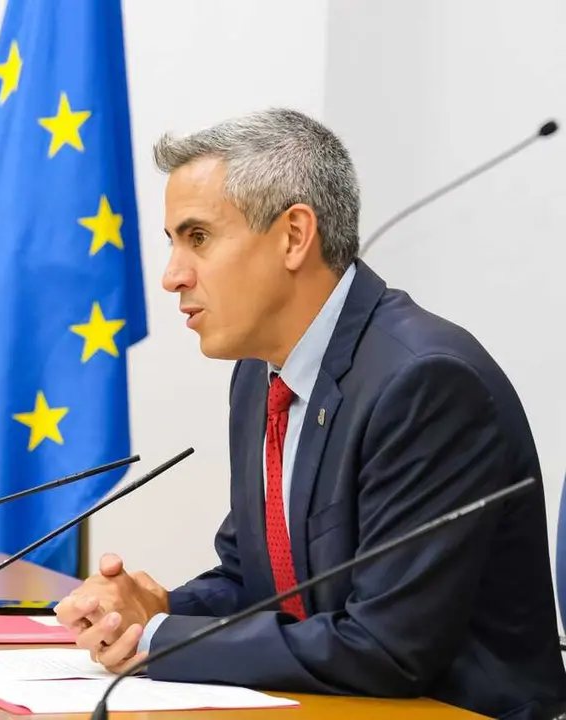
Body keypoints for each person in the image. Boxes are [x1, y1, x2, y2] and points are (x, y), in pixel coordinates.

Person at [54, 108, 566, 720]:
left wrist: (162, 641)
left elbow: (384, 648)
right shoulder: (260, 375)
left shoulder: (425, 383)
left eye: (198, 238)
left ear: (294, 236)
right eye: (173, 243)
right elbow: (259, 582)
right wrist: (156, 608)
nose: (171, 276)